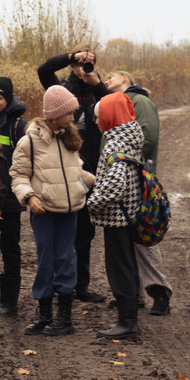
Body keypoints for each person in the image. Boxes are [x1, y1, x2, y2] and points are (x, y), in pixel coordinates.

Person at [9, 86, 96, 336]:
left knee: (66, 259)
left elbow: (76, 172)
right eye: (69, 113)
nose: (72, 117)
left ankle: (65, 317)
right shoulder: (29, 142)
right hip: (44, 212)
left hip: (70, 211)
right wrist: (29, 196)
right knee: (45, 260)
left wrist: (97, 182)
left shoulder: (70, 139)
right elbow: (18, 176)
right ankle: (45, 313)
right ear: (55, 114)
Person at [38, 45, 110, 303]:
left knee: (84, 233)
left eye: (89, 62)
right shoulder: (59, 90)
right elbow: (44, 69)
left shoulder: (98, 91)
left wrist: (97, 83)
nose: (83, 69)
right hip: (61, 172)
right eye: (81, 62)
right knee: (61, 234)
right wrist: (72, 58)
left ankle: (81, 285)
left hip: (89, 170)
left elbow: (112, 110)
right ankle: (61, 284)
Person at [104, 70, 171, 315]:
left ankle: (159, 293)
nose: (107, 78)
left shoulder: (139, 100)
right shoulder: (114, 103)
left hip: (138, 181)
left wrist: (123, 160)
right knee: (127, 240)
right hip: (126, 179)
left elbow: (149, 138)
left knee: (143, 235)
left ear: (125, 79)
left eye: (113, 74)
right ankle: (133, 294)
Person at [85, 92, 145, 339]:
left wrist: (92, 202)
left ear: (109, 117)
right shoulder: (130, 137)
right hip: (129, 214)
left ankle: (126, 322)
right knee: (127, 265)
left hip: (117, 218)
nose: (97, 121)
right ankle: (128, 319)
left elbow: (115, 184)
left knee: (119, 268)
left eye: (99, 117)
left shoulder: (114, 143)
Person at [0, 76, 29, 317]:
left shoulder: (19, 126)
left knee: (9, 246)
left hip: (9, 199)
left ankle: (9, 301)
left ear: (8, 99)